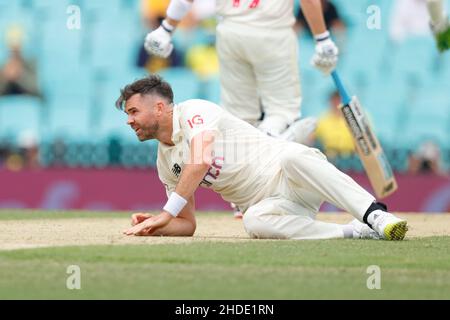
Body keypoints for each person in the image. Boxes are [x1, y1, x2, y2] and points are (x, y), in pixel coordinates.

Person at [116, 75, 408, 240]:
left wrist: (167, 210)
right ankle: (355, 232)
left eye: (133, 112)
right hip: (273, 205)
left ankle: (374, 214)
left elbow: (201, 160)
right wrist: (159, 224)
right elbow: (187, 225)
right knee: (253, 222)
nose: (129, 121)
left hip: (288, 172)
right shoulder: (164, 163)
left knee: (295, 157)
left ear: (159, 108)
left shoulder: (194, 111)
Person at [143, 0, 339, 140]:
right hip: (271, 32)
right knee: (282, 112)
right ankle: (268, 142)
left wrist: (166, 29)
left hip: (230, 33)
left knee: (238, 116)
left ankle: (241, 178)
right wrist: (322, 40)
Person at [0, 26, 41, 97]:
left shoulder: (31, 63)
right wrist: (5, 77)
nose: (15, 49)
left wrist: (19, 75)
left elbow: (36, 90)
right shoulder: (3, 67)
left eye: (17, 45)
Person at [313, 90, 354, 161]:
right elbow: (313, 138)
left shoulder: (353, 118)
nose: (337, 104)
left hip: (352, 158)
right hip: (330, 158)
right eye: (334, 101)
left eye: (339, 101)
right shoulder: (322, 120)